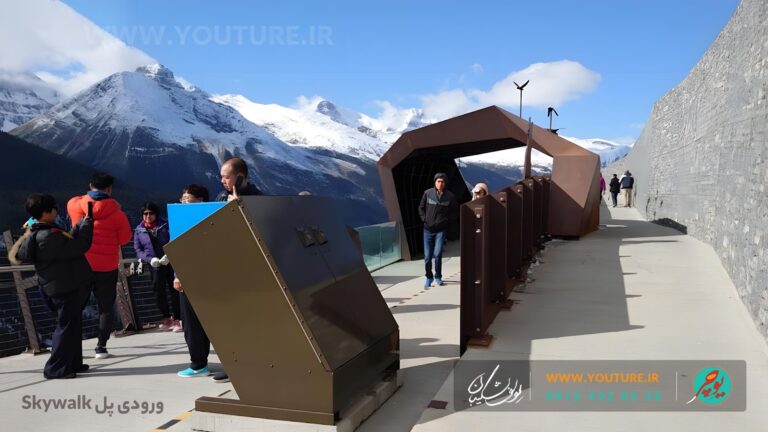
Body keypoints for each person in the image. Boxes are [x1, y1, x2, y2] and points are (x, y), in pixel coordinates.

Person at [13, 194, 93, 379]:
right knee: (66, 326)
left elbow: (66, 243)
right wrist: (87, 226)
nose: (57, 211)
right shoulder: (47, 236)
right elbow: (79, 246)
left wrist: (79, 226)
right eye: (54, 208)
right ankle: (55, 368)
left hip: (57, 284)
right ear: (46, 212)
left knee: (72, 325)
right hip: (63, 286)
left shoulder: (38, 231)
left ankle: (72, 363)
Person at [67, 172, 131, 360]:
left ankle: (71, 345)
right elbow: (125, 239)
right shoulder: (118, 214)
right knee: (105, 307)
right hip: (107, 266)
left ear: (90, 185)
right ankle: (101, 347)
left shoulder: (75, 206)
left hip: (81, 264)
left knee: (76, 305)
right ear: (110, 189)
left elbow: (75, 200)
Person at [210, 157, 263, 383]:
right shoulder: (221, 197)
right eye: (221, 176)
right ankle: (233, 365)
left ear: (240, 176)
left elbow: (259, 231)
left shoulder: (258, 199)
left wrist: (239, 208)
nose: (222, 180)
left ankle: (257, 364)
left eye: (227, 176)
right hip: (226, 267)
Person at [173, 184, 214, 378]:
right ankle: (198, 363)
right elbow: (178, 252)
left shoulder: (209, 219)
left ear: (201, 202)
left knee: (207, 323)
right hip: (189, 279)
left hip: (205, 278)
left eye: (188, 200)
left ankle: (200, 364)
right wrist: (177, 275)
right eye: (183, 200)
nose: (184, 203)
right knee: (191, 324)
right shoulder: (181, 220)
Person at [133, 202, 180, 332]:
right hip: (155, 265)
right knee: (158, 292)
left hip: (170, 263)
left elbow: (174, 239)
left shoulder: (165, 225)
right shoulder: (139, 230)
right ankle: (166, 318)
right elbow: (138, 249)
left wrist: (169, 254)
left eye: (151, 213)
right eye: (145, 213)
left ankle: (178, 319)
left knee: (174, 290)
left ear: (156, 214)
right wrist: (149, 259)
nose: (148, 216)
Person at [418, 172, 456, 288]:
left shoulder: (450, 196)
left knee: (437, 253)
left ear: (445, 184)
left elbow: (455, 212)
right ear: (435, 182)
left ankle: (438, 277)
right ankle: (429, 277)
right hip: (427, 230)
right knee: (427, 257)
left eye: (443, 182)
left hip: (441, 230)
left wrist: (446, 221)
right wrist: (425, 219)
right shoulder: (427, 193)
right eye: (438, 181)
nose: (440, 183)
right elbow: (421, 208)